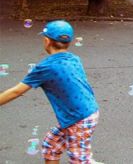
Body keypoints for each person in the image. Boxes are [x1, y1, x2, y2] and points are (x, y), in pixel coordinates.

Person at [0, 20, 100, 162]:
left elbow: (16, 91)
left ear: (47, 41)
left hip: (79, 118)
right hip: (85, 112)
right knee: (51, 146)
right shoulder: (74, 59)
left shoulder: (46, 68)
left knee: (80, 160)